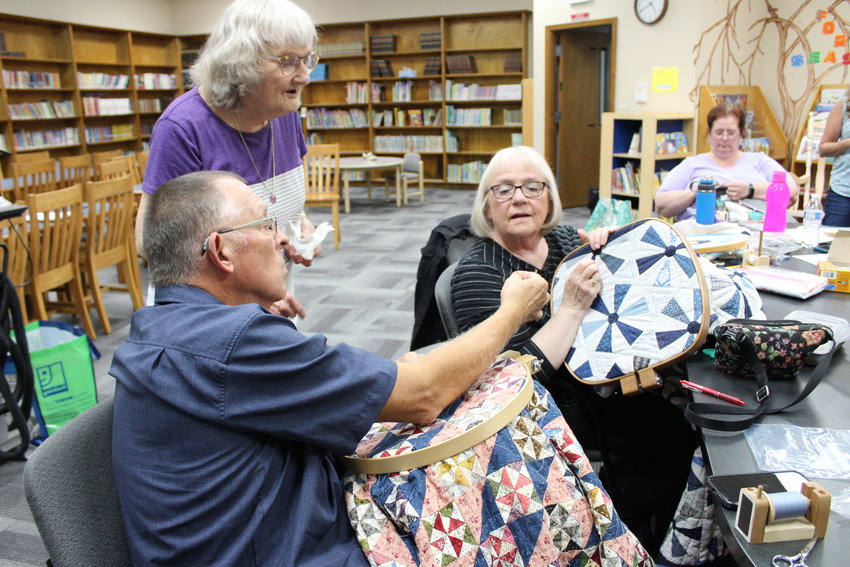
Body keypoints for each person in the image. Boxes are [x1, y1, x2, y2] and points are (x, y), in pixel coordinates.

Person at [110, 170, 550, 566]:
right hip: (302, 551)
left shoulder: (159, 328)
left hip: (264, 533)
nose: (283, 238)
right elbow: (424, 395)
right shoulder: (234, 342)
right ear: (222, 252)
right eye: (266, 225)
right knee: (512, 510)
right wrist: (511, 310)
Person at [451, 145, 697, 556]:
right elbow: (511, 378)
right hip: (539, 411)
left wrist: (609, 254)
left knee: (681, 413)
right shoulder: (478, 272)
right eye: (503, 190)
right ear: (487, 207)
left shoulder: (564, 240)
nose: (519, 198)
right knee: (670, 436)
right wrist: (571, 307)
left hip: (599, 378)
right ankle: (611, 537)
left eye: (532, 186)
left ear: (549, 198)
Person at [136, 0, 319, 318]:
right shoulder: (183, 127)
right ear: (241, 64)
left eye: (307, 59)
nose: (304, 76)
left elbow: (281, 198)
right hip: (205, 312)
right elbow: (152, 244)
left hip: (268, 294)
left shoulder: (283, 112)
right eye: (289, 61)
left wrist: (300, 225)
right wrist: (249, 292)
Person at [655, 101, 799, 221]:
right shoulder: (691, 164)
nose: (724, 138)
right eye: (718, 132)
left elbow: (791, 191)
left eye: (731, 133)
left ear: (741, 134)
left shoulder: (759, 161)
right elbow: (661, 204)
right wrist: (697, 191)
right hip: (703, 236)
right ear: (709, 134)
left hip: (755, 236)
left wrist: (750, 189)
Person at [818, 88, 850, 226]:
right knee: (830, 244)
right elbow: (823, 149)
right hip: (843, 191)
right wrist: (848, 142)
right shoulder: (844, 104)